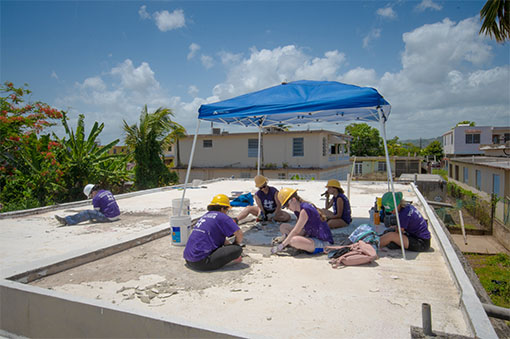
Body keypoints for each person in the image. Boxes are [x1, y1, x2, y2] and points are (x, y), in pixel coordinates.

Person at [183, 194, 243, 271]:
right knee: (237, 249)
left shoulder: (206, 216)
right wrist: (235, 245)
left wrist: (229, 246)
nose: (227, 212)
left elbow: (217, 238)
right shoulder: (223, 217)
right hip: (202, 262)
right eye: (227, 210)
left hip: (188, 259)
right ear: (222, 209)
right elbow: (239, 233)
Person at [272, 188, 334, 255]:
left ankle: (291, 243)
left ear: (293, 200)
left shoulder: (305, 210)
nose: (287, 208)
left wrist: (282, 245)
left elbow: (296, 231)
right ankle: (291, 242)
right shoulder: (298, 211)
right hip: (311, 236)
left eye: (287, 205)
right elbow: (301, 230)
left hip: (323, 242)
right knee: (283, 226)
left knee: (294, 240)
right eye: (285, 207)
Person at [55, 184, 120, 226]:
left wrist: (90, 218)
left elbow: (96, 212)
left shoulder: (96, 198)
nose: (92, 197)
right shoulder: (107, 191)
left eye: (90, 196)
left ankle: (67, 220)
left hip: (109, 217)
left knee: (88, 213)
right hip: (117, 214)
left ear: (92, 192)